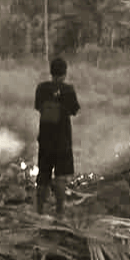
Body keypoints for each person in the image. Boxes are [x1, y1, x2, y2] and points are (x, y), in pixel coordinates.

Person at [33, 58, 80, 216]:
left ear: (50, 72)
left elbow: (38, 107)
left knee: (43, 175)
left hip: (45, 139)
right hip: (63, 140)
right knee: (60, 176)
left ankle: (39, 210)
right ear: (65, 73)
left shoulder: (41, 88)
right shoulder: (69, 89)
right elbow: (74, 110)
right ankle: (60, 211)